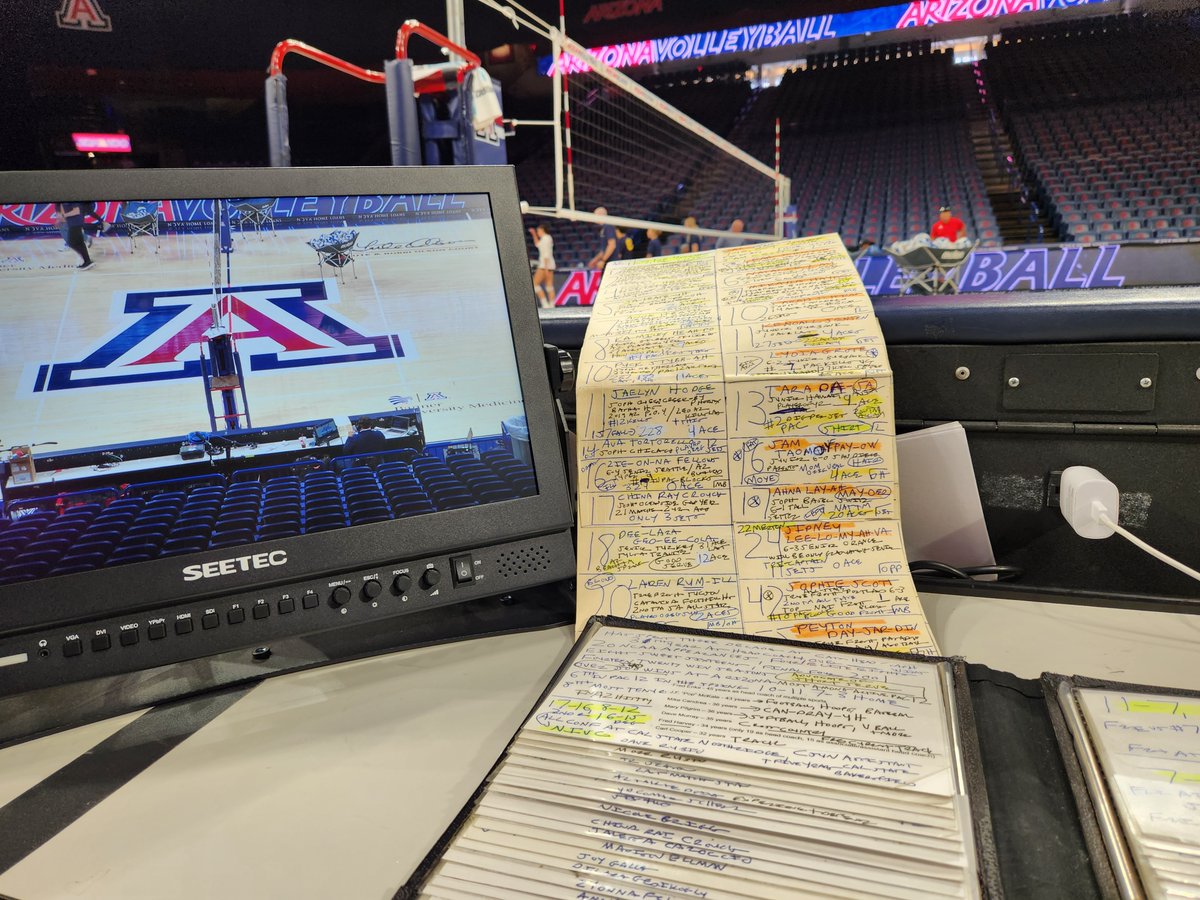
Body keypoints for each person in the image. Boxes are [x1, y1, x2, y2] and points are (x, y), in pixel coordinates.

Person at [56, 202, 93, 269]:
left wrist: (64, 215)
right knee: (80, 243)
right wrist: (60, 219)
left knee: (71, 243)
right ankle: (87, 261)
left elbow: (77, 211)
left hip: (75, 223)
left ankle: (87, 261)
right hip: (74, 223)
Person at [528, 222, 555, 307]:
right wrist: (534, 234)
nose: (538, 232)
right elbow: (537, 244)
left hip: (545, 265)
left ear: (542, 230)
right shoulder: (545, 238)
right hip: (548, 264)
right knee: (549, 286)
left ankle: (545, 304)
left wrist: (546, 267)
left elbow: (546, 254)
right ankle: (551, 305)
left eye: (538, 231)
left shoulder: (546, 238)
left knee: (535, 284)